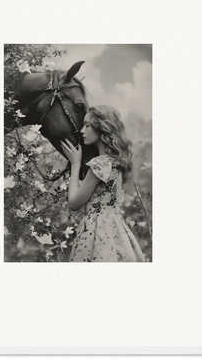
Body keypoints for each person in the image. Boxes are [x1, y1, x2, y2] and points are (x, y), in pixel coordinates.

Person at [60, 105, 146, 262]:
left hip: (96, 232)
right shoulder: (116, 162)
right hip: (116, 230)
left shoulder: (99, 164)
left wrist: (75, 164)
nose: (82, 130)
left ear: (102, 128)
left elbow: (73, 203)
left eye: (87, 125)